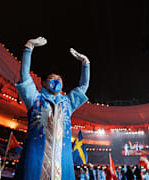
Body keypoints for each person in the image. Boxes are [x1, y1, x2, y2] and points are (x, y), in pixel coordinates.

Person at [14, 37, 90, 180]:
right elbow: (24, 77)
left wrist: (86, 64)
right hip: (35, 160)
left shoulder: (68, 103)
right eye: (51, 79)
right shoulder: (35, 99)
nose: (56, 81)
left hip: (63, 162)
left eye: (59, 79)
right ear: (43, 83)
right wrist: (28, 48)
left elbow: (83, 87)